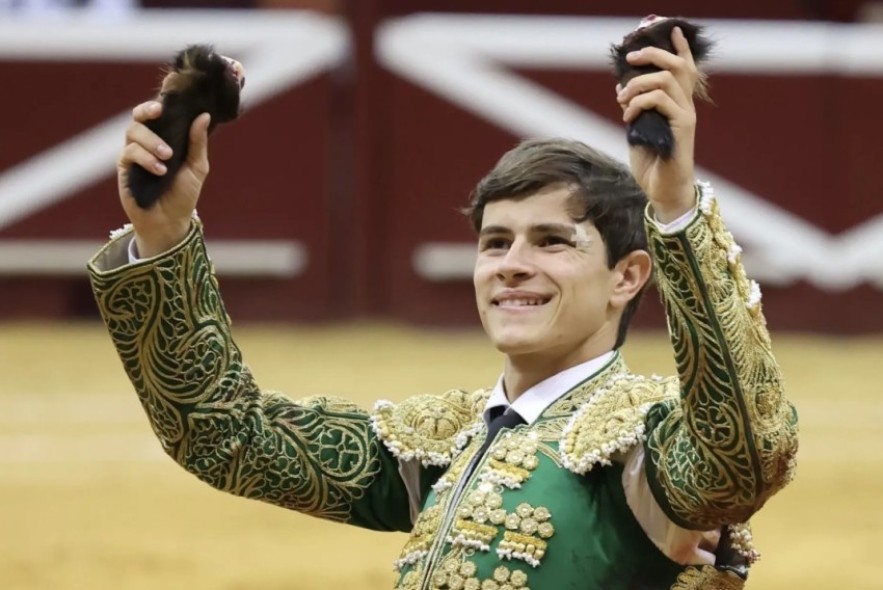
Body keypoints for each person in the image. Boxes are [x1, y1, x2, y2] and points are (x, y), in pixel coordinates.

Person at [87, 25, 798, 590]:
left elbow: (746, 446)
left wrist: (673, 207)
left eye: (552, 241)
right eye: (495, 243)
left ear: (626, 275)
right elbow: (226, 436)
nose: (511, 264)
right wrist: (164, 235)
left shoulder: (642, 449)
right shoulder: (442, 445)